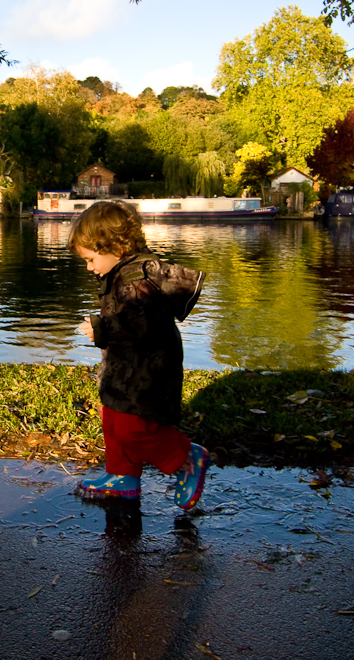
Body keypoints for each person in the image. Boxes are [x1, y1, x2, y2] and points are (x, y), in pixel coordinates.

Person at [67, 199, 210, 510]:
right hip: (126, 366)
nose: (90, 267)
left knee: (133, 428)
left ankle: (186, 457)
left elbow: (139, 323)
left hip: (149, 369)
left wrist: (101, 328)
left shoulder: (137, 279)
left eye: (91, 259)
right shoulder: (121, 272)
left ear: (116, 245)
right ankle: (122, 477)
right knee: (114, 418)